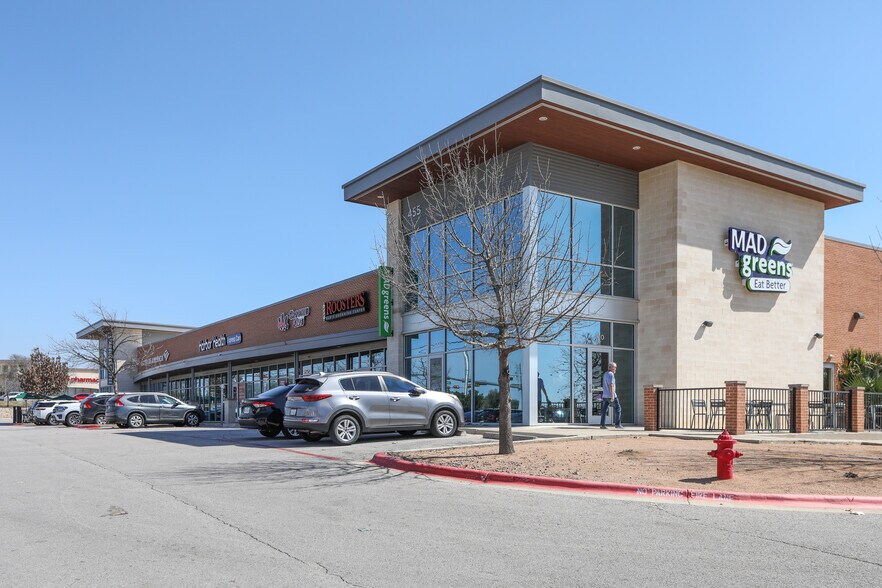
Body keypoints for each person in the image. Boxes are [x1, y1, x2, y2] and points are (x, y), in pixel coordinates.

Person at [600, 362, 622, 429]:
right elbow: (611, 385)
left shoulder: (605, 374)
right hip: (610, 395)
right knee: (618, 409)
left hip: (605, 396)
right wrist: (612, 395)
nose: (615, 369)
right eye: (615, 367)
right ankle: (617, 424)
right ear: (612, 367)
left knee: (604, 410)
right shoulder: (611, 374)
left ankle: (602, 425)